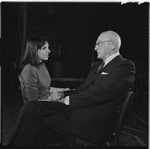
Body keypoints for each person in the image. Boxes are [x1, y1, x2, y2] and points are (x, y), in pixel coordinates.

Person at [8, 31, 136, 146]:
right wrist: (62, 94)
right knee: (31, 109)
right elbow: (82, 89)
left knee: (34, 123)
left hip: (93, 122)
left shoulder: (124, 66)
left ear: (112, 45)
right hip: (80, 111)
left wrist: (67, 100)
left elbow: (101, 93)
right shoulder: (97, 66)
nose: (95, 47)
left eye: (99, 44)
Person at [20, 36, 68, 102]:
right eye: (44, 48)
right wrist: (57, 100)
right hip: (41, 107)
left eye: (48, 48)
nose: (49, 51)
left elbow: (46, 89)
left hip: (48, 101)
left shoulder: (42, 65)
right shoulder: (29, 70)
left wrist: (64, 90)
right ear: (35, 50)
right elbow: (33, 102)